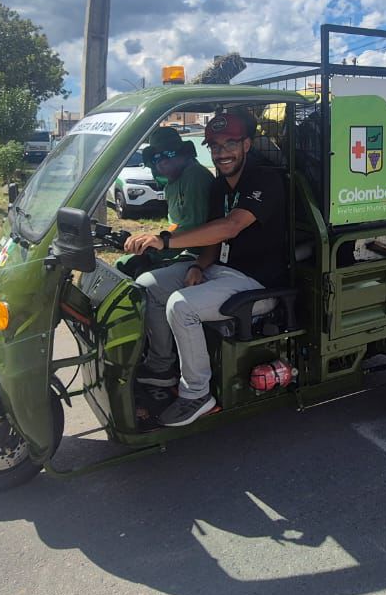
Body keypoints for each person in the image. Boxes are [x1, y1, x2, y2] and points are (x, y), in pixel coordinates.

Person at [123, 110, 289, 427]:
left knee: (181, 305)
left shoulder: (265, 180)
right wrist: (199, 265)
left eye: (230, 144)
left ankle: (197, 393)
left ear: (247, 144)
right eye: (215, 146)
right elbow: (215, 237)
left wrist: (165, 240)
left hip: (257, 284)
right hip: (219, 272)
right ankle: (162, 366)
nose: (222, 152)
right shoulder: (219, 186)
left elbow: (230, 226)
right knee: (147, 285)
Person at [116, 126, 214, 278]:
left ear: (183, 153)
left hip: (198, 253)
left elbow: (194, 227)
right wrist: (153, 241)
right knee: (123, 264)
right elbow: (175, 224)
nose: (162, 161)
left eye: (169, 153)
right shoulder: (171, 183)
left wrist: (160, 245)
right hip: (177, 247)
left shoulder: (195, 176)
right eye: (156, 157)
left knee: (142, 276)